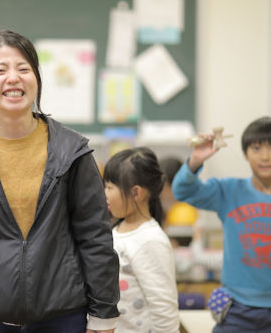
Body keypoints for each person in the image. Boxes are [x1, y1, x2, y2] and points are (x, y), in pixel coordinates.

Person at [0, 30, 120, 333]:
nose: (13, 78)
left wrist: (103, 315)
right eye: (0, 70)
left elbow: (95, 238)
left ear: (37, 78)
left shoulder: (71, 151)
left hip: (64, 318)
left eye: (23, 68)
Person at [172, 116, 271, 332]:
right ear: (245, 154)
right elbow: (182, 191)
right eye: (256, 148)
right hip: (237, 309)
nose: (266, 156)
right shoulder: (229, 191)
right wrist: (196, 160)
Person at [104, 147, 179, 333]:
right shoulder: (117, 229)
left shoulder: (150, 241)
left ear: (136, 193)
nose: (103, 193)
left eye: (109, 187)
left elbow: (164, 311)